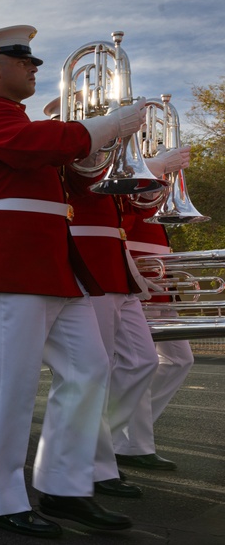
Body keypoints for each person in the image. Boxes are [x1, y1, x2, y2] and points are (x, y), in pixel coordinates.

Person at [0, 25, 144, 537]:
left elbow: (75, 176)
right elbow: (35, 145)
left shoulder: (18, 122)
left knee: (89, 371)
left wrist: (99, 149)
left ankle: (64, 485)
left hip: (54, 262)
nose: (36, 67)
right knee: (10, 384)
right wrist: (105, 126)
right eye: (26, 61)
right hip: (12, 259)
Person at [114, 152, 195, 471]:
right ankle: (132, 443)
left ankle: (129, 434)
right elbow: (137, 203)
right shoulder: (129, 168)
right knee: (140, 362)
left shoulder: (152, 167)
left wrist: (177, 279)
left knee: (179, 359)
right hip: (140, 279)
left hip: (160, 283)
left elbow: (159, 220)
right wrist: (158, 166)